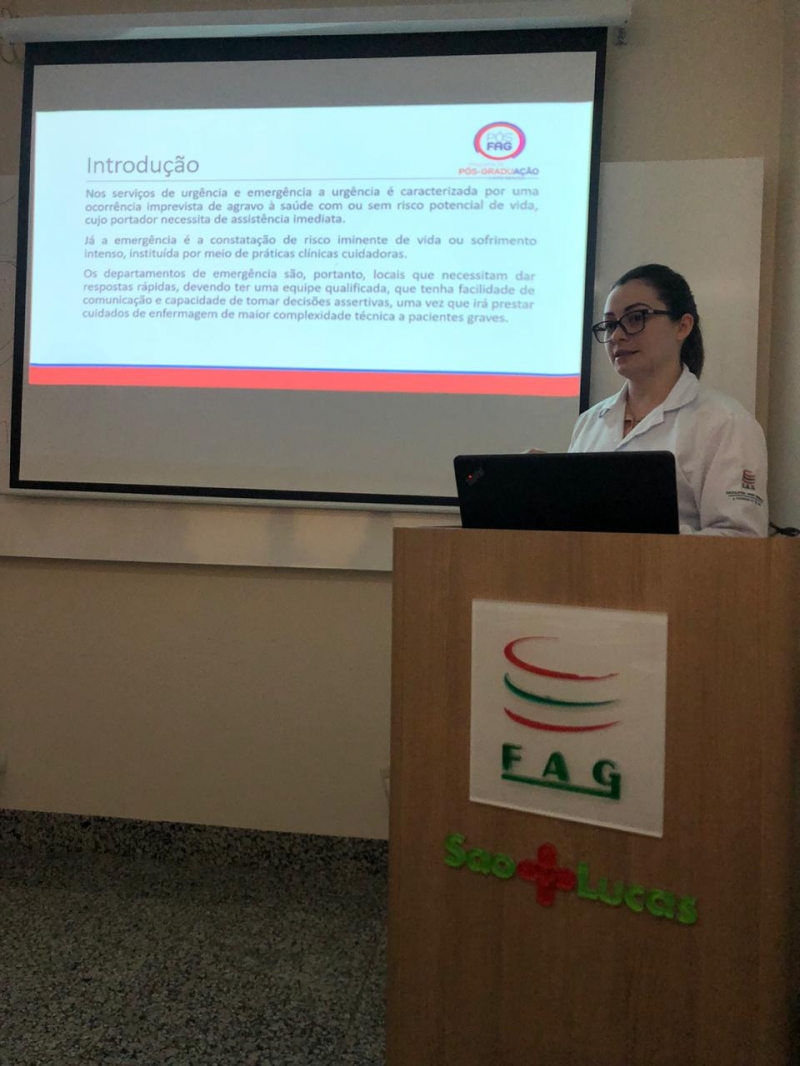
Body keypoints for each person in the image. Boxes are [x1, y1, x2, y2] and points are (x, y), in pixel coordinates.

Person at [569, 263, 768, 537]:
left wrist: (642, 538)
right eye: (610, 324)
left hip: (671, 567)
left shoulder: (725, 422)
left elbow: (741, 540)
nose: (617, 335)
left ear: (683, 326)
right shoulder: (589, 423)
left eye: (635, 318)